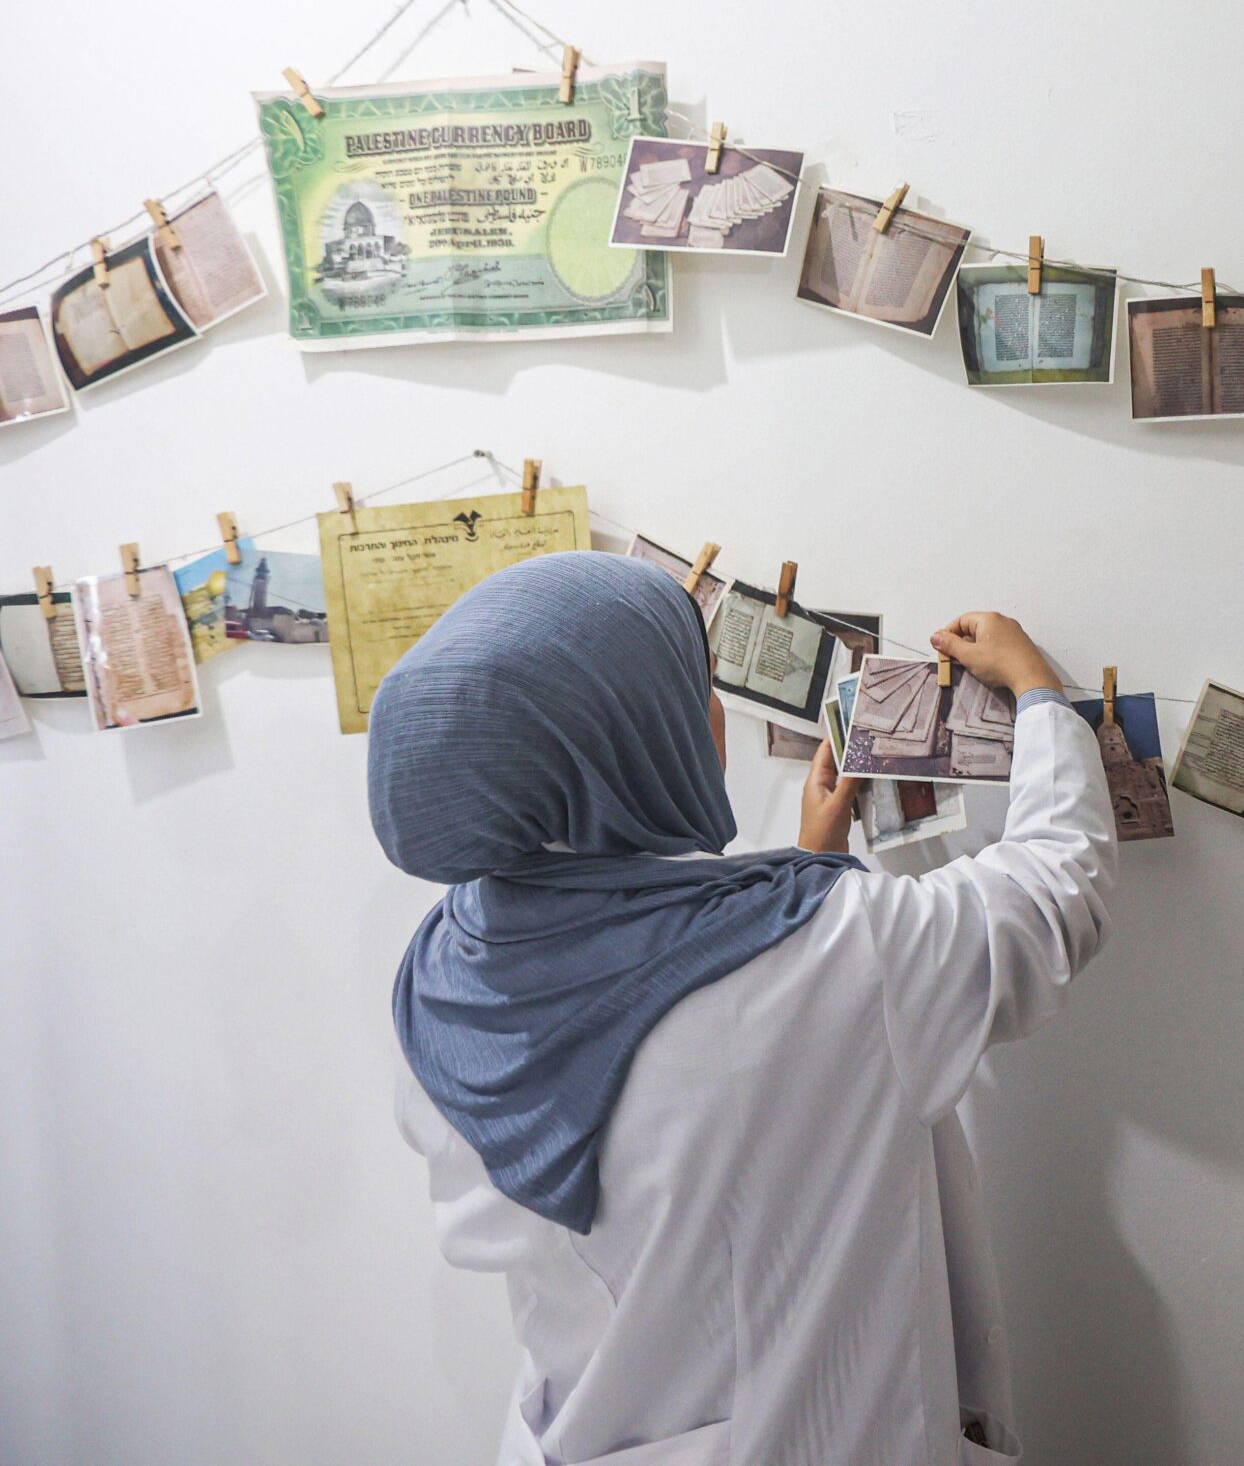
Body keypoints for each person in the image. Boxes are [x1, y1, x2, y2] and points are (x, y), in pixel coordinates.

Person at [371, 552, 1113, 1465]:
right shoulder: (832, 953)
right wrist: (1040, 694)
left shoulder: (441, 972)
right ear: (636, 742)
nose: (715, 707)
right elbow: (1051, 901)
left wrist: (802, 865)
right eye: (691, 685)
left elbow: (685, 1050)